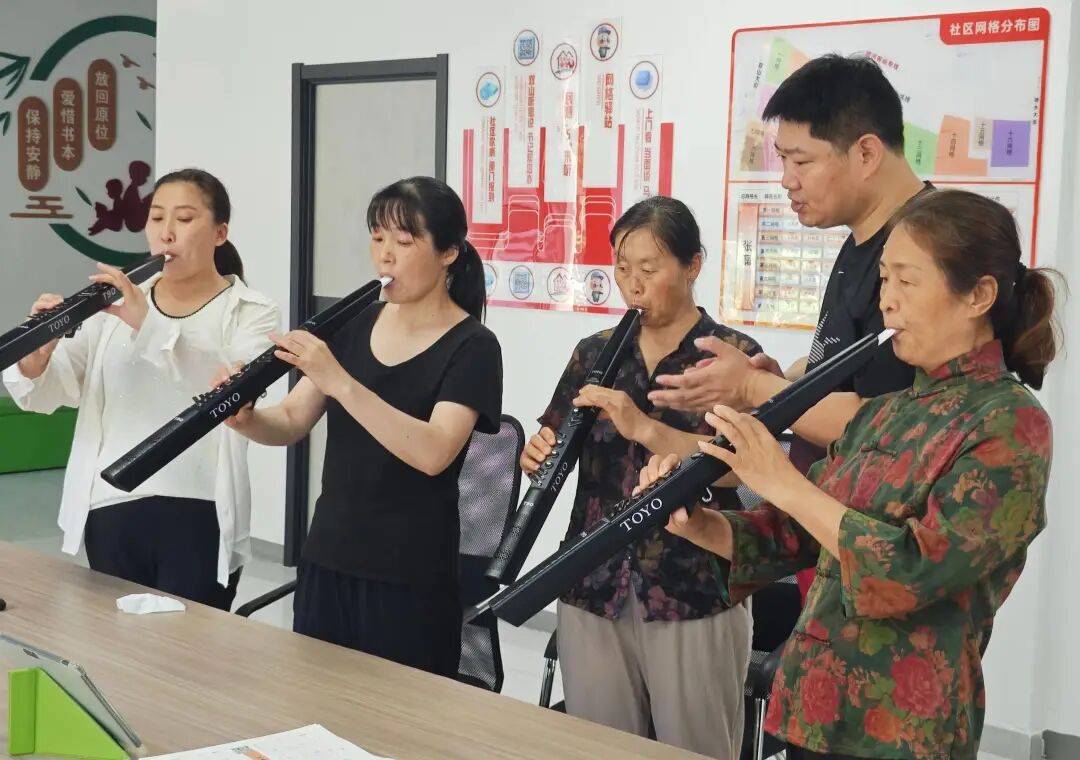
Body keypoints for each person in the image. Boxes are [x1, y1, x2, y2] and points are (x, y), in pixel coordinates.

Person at [640, 190, 1057, 759]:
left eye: (906, 281)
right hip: (815, 705)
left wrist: (780, 478)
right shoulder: (885, 412)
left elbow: (913, 570)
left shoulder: (1011, 422)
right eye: (884, 280)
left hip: (903, 730)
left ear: (978, 295)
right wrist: (696, 520)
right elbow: (793, 535)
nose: (888, 301)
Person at [648, 54, 933, 602]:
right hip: (822, 530)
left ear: (866, 153)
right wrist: (785, 382)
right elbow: (847, 368)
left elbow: (889, 425)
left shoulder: (922, 254)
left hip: (878, 557)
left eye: (800, 161)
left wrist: (759, 389)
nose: (786, 181)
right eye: (783, 160)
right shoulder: (862, 239)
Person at [220, 176, 502, 678]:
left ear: (448, 253)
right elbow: (291, 420)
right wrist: (247, 419)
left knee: (396, 717)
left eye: (404, 241)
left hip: (410, 577)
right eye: (377, 238)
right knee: (316, 705)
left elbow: (434, 452)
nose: (384, 256)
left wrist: (341, 382)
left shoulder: (473, 345)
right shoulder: (354, 324)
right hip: (328, 557)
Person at [522, 196, 760, 757]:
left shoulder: (733, 359)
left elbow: (743, 469)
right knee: (597, 748)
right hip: (591, 580)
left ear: (693, 265)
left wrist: (645, 428)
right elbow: (557, 437)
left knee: (694, 747)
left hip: (693, 587)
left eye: (649, 269)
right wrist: (538, 454)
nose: (632, 285)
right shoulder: (594, 354)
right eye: (623, 268)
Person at [4, 168, 279, 610]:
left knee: (191, 644)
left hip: (203, 509)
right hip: (111, 503)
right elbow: (52, 391)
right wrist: (37, 355)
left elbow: (228, 390)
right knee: (116, 644)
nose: (166, 232)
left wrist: (146, 324)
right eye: (156, 218)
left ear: (220, 233)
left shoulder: (251, 311)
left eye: (184, 219)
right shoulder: (112, 303)